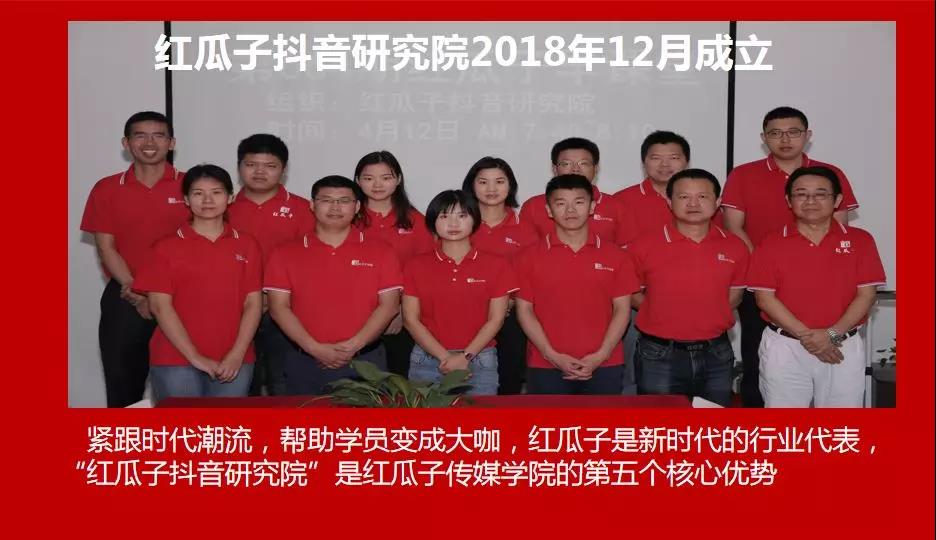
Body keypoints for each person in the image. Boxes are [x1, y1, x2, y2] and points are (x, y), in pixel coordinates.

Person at [721, 106, 860, 407]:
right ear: (763, 138)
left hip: (821, 284)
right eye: (775, 133)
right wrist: (765, 269)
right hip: (760, 285)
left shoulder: (830, 174)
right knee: (759, 360)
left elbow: (839, 228)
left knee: (828, 358)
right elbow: (733, 226)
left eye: (793, 132)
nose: (785, 139)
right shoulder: (743, 175)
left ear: (807, 135)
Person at [747, 166, 885, 407]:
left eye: (821, 194)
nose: (810, 201)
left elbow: (866, 296)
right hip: (785, 346)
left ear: (837, 200)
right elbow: (765, 299)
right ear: (789, 200)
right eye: (801, 194)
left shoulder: (860, 240)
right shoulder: (771, 242)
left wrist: (830, 335)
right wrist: (810, 338)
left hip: (841, 344)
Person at [79, 111, 190, 407]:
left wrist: (157, 296)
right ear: (126, 143)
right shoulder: (106, 188)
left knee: (183, 388)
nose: (149, 143)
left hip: (183, 299)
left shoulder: (192, 186)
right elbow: (106, 247)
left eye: (158, 136)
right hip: (126, 295)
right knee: (122, 388)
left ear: (172, 143)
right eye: (140, 135)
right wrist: (137, 290)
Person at [133, 164, 262, 401]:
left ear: (230, 197)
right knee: (182, 426)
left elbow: (253, 303)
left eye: (216, 192)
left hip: (235, 360)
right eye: (198, 193)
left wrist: (237, 354)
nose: (207, 200)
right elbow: (160, 306)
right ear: (186, 199)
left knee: (228, 426)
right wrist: (195, 357)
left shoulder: (247, 245)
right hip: (175, 360)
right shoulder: (165, 247)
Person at [265, 175, 403, 395]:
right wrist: (315, 349)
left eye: (344, 201)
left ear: (357, 207)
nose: (335, 207)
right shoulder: (284, 252)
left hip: (365, 360)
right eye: (326, 200)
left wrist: (353, 346)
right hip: (305, 361)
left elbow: (389, 305)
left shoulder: (382, 251)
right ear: (312, 205)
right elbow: (278, 307)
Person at [626, 169, 748, 407]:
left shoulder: (735, 246)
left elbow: (735, 296)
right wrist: (662, 311)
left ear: (718, 202)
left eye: (702, 196)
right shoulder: (643, 246)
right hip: (659, 353)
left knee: (712, 427)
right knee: (661, 426)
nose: (693, 204)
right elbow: (632, 294)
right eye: (683, 197)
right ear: (669, 202)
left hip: (716, 353)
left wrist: (704, 314)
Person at [515, 174, 639, 395]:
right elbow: (524, 310)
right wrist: (551, 355)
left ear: (592, 207)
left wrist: (600, 355)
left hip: (605, 363)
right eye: (561, 203)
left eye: (579, 202)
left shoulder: (617, 256)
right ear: (549, 210)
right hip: (545, 364)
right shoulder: (527, 257)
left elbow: (622, 310)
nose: (570, 210)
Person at [403, 190, 518, 395]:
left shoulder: (497, 265)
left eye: (462, 215)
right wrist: (446, 357)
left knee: (480, 417)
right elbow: (411, 320)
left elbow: (496, 319)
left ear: (475, 220)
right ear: (432, 222)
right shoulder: (415, 265)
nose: (453, 223)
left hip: (480, 358)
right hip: (427, 360)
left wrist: (465, 357)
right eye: (444, 216)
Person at [226, 133, 314, 396]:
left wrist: (272, 297)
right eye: (251, 165)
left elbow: (310, 263)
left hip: (288, 311)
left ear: (283, 170)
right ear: (239, 167)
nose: (259, 172)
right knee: (242, 384)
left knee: (282, 383)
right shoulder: (222, 208)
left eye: (269, 166)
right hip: (235, 309)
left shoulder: (304, 209)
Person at [353, 151, 435, 378]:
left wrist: (400, 311)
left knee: (399, 382)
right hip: (355, 316)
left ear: (398, 179)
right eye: (369, 178)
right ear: (358, 180)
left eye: (386, 177)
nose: (377, 185)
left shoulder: (416, 221)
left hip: (401, 317)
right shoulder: (347, 219)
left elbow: (424, 272)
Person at [461, 156, 537, 394]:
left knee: (508, 385)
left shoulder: (525, 229)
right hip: (464, 314)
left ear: (510, 185)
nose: (491, 189)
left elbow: (531, 276)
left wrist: (509, 302)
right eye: (483, 182)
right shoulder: (458, 223)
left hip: (510, 318)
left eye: (499, 181)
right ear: (472, 185)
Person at [519, 137, 629, 245]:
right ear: (554, 169)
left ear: (596, 168)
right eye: (566, 163)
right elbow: (527, 251)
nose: (575, 169)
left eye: (583, 163)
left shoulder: (617, 207)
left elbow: (625, 251)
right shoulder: (532, 207)